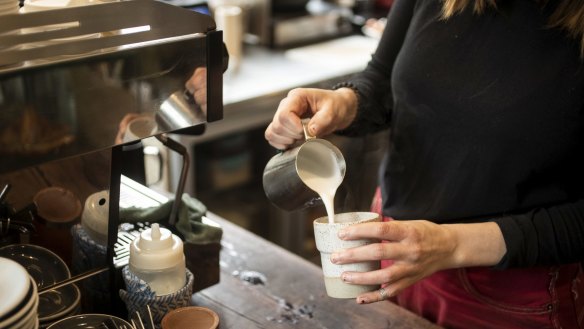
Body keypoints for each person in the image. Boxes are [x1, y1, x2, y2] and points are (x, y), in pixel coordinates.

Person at [264, 0, 584, 328]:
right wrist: (347, 102)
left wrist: (451, 245)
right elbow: (381, 80)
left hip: (508, 289)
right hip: (393, 249)